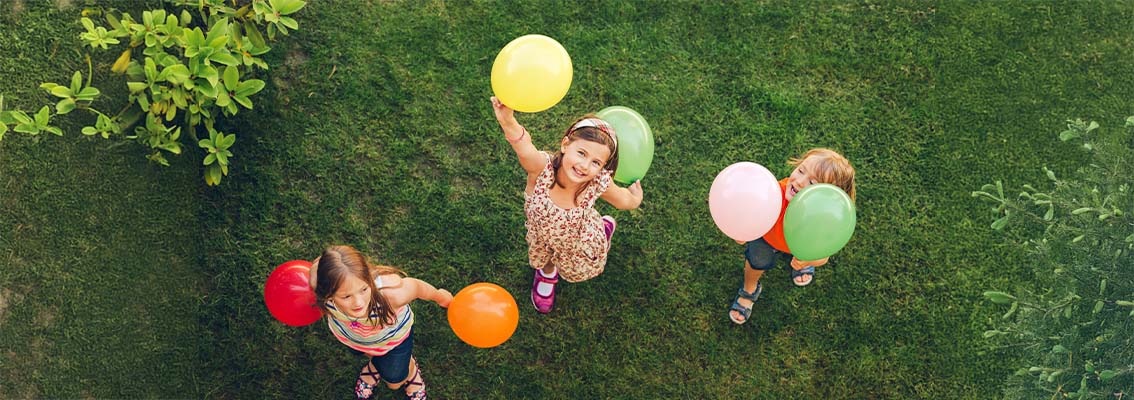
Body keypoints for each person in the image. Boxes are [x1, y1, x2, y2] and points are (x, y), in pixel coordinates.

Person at [490, 96, 644, 314]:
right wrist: (507, 121)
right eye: (582, 153)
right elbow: (524, 147)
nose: (584, 166)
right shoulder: (541, 170)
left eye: (596, 162)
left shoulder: (597, 181)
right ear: (565, 145)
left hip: (578, 239)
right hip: (542, 235)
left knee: (580, 259)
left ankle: (603, 228)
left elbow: (622, 200)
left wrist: (634, 199)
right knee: (545, 257)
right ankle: (547, 273)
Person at [728, 148, 856, 325]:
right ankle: (749, 288)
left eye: (812, 182)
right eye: (801, 170)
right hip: (766, 238)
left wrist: (809, 261)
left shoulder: (824, 218)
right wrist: (743, 231)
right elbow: (751, 213)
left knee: (803, 255)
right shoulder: (773, 194)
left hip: (799, 244)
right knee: (756, 262)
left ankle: (801, 264)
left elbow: (823, 257)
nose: (799, 181)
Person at [310, 245, 453, 399]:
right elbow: (317, 268)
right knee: (370, 355)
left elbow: (418, 288)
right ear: (327, 293)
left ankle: (411, 371)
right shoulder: (320, 285)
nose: (358, 302)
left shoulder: (391, 295)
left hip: (393, 340)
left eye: (364, 289)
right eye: (346, 297)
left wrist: (442, 297)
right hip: (354, 338)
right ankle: (376, 364)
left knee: (394, 382)